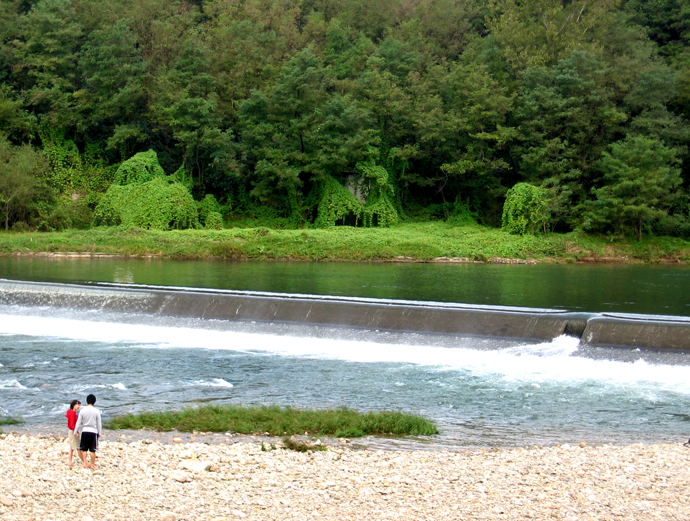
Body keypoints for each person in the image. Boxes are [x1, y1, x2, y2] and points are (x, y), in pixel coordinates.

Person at [74, 394, 102, 470]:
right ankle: (92, 464)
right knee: (93, 449)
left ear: (87, 401)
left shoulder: (82, 411)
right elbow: (99, 423)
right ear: (94, 402)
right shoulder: (97, 411)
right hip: (93, 431)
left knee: (84, 449)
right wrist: (99, 432)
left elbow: (78, 422)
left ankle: (84, 463)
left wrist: (75, 431)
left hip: (85, 430)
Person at [65, 399, 81, 467]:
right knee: (78, 447)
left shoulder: (71, 412)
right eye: (77, 405)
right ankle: (84, 461)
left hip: (72, 431)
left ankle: (70, 461)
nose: (78, 406)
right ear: (73, 405)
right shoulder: (72, 413)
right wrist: (76, 432)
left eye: (79, 405)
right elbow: (71, 425)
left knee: (72, 447)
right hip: (73, 431)